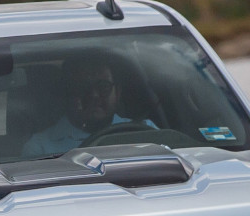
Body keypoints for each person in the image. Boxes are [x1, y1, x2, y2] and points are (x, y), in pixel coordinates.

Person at [22, 53, 152, 157]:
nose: (94, 95)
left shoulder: (145, 131)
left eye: (103, 87)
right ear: (67, 94)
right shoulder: (40, 149)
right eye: (82, 87)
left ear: (117, 92)